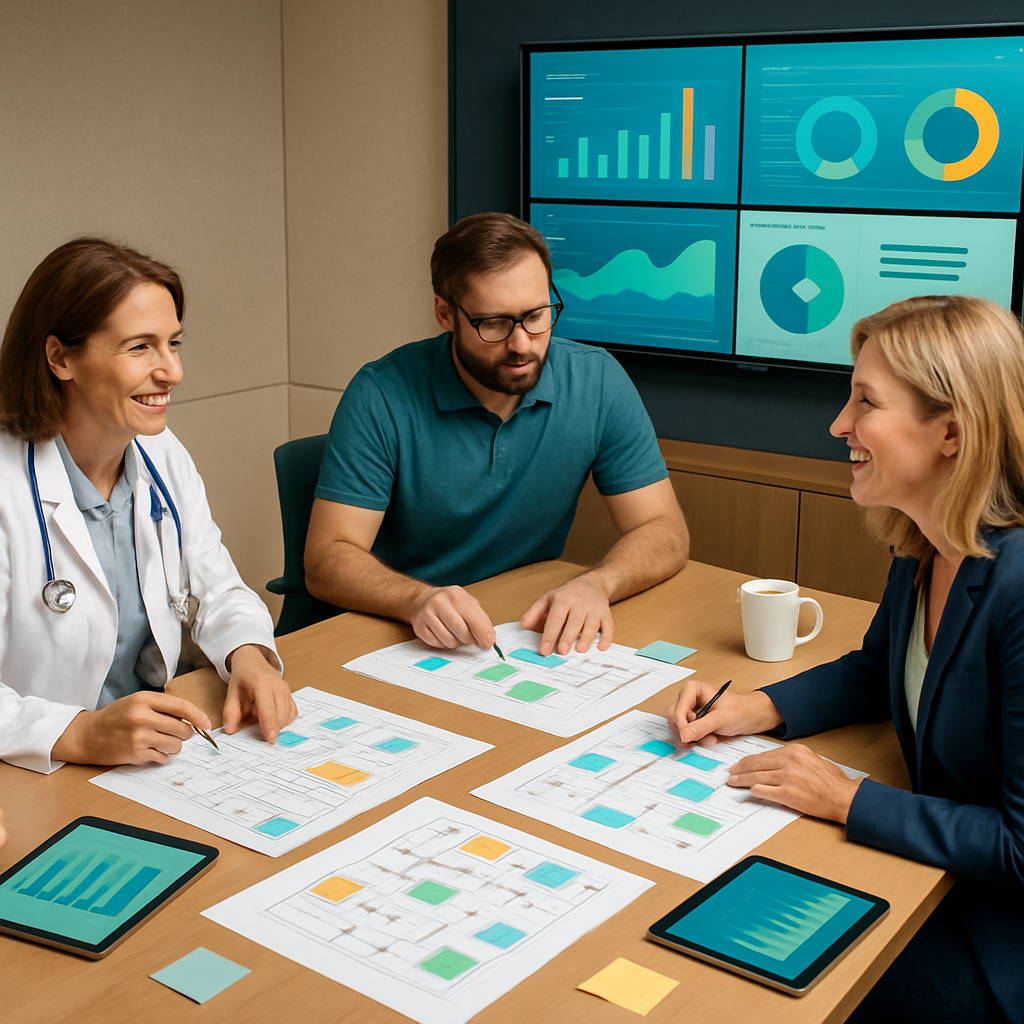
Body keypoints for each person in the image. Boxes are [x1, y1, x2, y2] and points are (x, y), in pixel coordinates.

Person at [669, 295, 1024, 1023]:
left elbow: (1022, 848)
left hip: (1000, 936)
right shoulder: (924, 542)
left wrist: (845, 799)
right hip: (936, 870)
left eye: (865, 401)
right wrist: (753, 709)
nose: (839, 424)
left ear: (951, 431)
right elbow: (875, 669)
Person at [306, 212, 688, 656]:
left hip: (513, 626)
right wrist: (416, 599)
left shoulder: (597, 380)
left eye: (537, 315)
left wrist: (597, 583)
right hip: (392, 633)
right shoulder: (380, 394)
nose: (522, 343)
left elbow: (664, 529)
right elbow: (326, 559)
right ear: (445, 314)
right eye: (494, 323)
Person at [0, 238, 297, 775]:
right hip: (36, 773)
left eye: (174, 344)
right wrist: (80, 731)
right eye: (140, 348)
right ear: (60, 357)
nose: (172, 372)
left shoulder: (159, 452)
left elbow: (219, 587)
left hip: (152, 757)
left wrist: (247, 653)